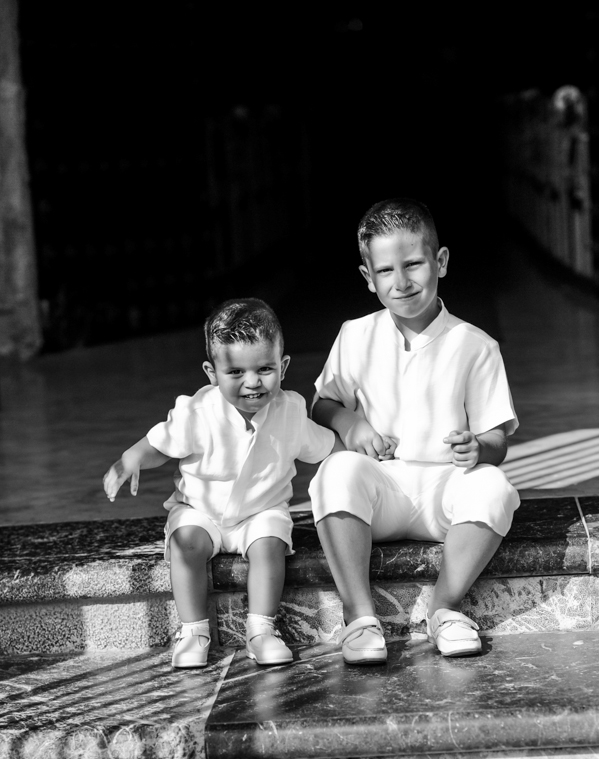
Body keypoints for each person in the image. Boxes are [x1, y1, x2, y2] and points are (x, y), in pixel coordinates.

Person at [309, 198, 520, 664]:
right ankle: (360, 617)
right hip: (382, 490)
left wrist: (478, 449)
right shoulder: (355, 335)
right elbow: (322, 404)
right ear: (369, 279)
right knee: (335, 472)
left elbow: (498, 440)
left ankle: (444, 608)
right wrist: (350, 421)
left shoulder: (475, 345)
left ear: (440, 262)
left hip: (446, 491)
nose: (401, 282)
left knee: (494, 487)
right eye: (385, 271)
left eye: (413, 265)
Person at [103, 298, 336, 668]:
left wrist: (365, 450)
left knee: (270, 545)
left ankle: (261, 630)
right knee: (185, 544)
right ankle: (193, 630)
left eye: (264, 369)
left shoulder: (290, 410)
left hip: (260, 511)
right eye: (236, 373)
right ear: (212, 373)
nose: (252, 383)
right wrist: (131, 459)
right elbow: (159, 445)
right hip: (200, 509)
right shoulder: (196, 411)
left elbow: (324, 447)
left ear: (283, 366)